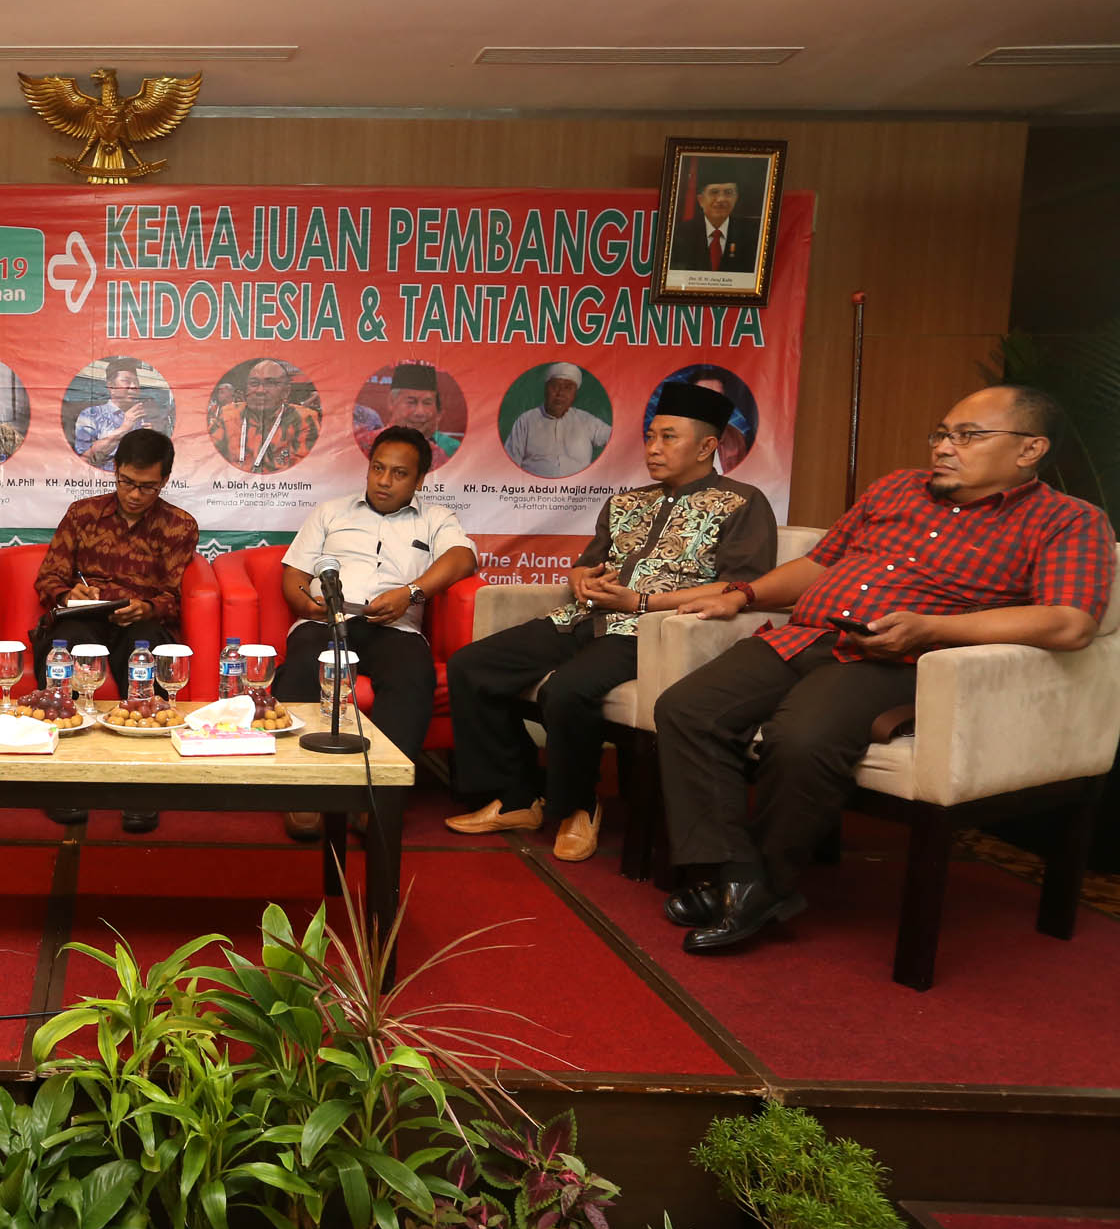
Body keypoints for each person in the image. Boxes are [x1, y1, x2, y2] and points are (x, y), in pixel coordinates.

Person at [655, 386, 1114, 954]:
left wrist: (933, 628)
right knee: (685, 709)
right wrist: (743, 594)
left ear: (1030, 449)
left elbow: (1070, 623)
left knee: (801, 738)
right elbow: (819, 566)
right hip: (806, 635)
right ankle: (739, 878)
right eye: (942, 434)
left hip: (897, 657)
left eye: (967, 436)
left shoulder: (1068, 520)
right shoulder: (896, 488)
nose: (945, 447)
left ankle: (758, 886)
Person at [443, 383, 777, 860]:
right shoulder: (625, 502)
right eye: (650, 437)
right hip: (581, 618)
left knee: (567, 690)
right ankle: (518, 795)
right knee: (471, 666)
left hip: (654, 631)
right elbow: (587, 562)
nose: (653, 449)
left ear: (707, 447)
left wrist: (642, 601)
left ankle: (580, 805)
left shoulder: (742, 502)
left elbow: (741, 587)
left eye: (668, 438)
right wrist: (581, 579)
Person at [275, 426, 477, 839]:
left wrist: (411, 593)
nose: (384, 481)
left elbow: (462, 558)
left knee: (412, 675)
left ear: (420, 481)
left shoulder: (437, 518)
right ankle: (303, 791)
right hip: (325, 621)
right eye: (378, 468)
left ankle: (377, 797)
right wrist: (307, 604)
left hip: (393, 627)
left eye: (399, 474)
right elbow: (294, 572)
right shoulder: (331, 512)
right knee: (300, 669)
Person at [31, 429, 198, 833]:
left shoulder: (179, 526)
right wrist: (69, 593)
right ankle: (63, 781)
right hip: (85, 617)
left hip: (138, 621)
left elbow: (174, 596)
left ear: (164, 480)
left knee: (147, 648)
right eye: (126, 482)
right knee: (62, 647)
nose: (135, 494)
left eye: (147, 486)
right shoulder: (82, 514)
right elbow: (47, 579)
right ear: (115, 470)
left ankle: (144, 786)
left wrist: (149, 605)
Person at [209, 359, 320, 475]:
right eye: (254, 384)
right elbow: (209, 455)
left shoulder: (304, 419)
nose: (260, 390)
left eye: (270, 383)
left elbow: (303, 471)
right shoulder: (229, 414)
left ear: (286, 392)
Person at [504, 363, 612, 478]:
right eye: (555, 386)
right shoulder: (525, 421)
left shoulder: (586, 421)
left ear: (574, 394)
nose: (560, 394)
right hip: (536, 492)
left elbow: (619, 438)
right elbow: (509, 465)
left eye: (568, 388)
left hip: (579, 492)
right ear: (546, 389)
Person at [668, 159, 762, 275]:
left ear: (736, 198)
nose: (721, 199)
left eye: (728, 192)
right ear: (700, 200)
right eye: (714, 192)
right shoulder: (679, 234)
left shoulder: (752, 235)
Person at [72, 357, 162, 471]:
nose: (134, 386)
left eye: (136, 382)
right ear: (111, 386)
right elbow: (84, 460)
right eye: (126, 381)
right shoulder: (91, 414)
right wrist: (124, 428)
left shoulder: (144, 418)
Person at [382, 364, 461, 469]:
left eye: (427, 403)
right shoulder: (368, 442)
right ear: (392, 402)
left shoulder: (452, 449)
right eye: (411, 402)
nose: (420, 412)